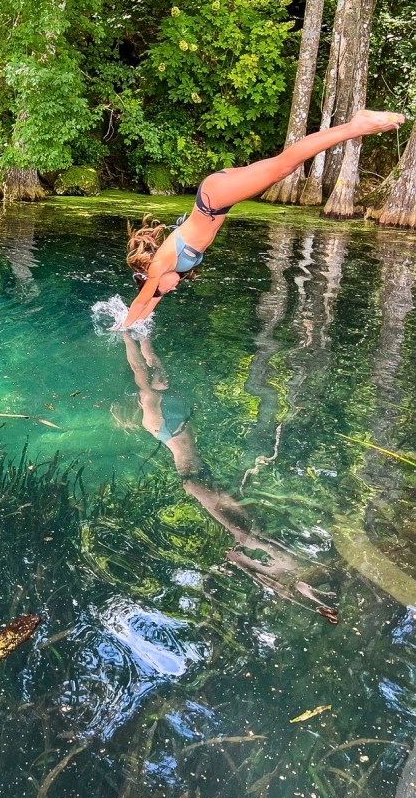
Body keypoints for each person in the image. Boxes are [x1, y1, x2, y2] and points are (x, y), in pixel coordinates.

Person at [117, 331, 338, 622]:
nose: (165, 380)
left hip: (199, 476)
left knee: (248, 531)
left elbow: (152, 367)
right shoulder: (151, 407)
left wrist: (143, 335)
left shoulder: (162, 396)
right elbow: (139, 372)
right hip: (194, 480)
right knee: (245, 535)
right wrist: (124, 337)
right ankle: (290, 576)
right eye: (159, 383)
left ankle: (293, 577)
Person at [122, 109, 405, 328]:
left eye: (165, 288)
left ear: (151, 279)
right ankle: (354, 127)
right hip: (219, 197)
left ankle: (355, 126)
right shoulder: (168, 273)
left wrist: (122, 330)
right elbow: (150, 303)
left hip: (214, 200)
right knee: (282, 166)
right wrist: (140, 334)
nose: (173, 287)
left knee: (284, 165)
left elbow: (139, 303)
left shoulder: (159, 267)